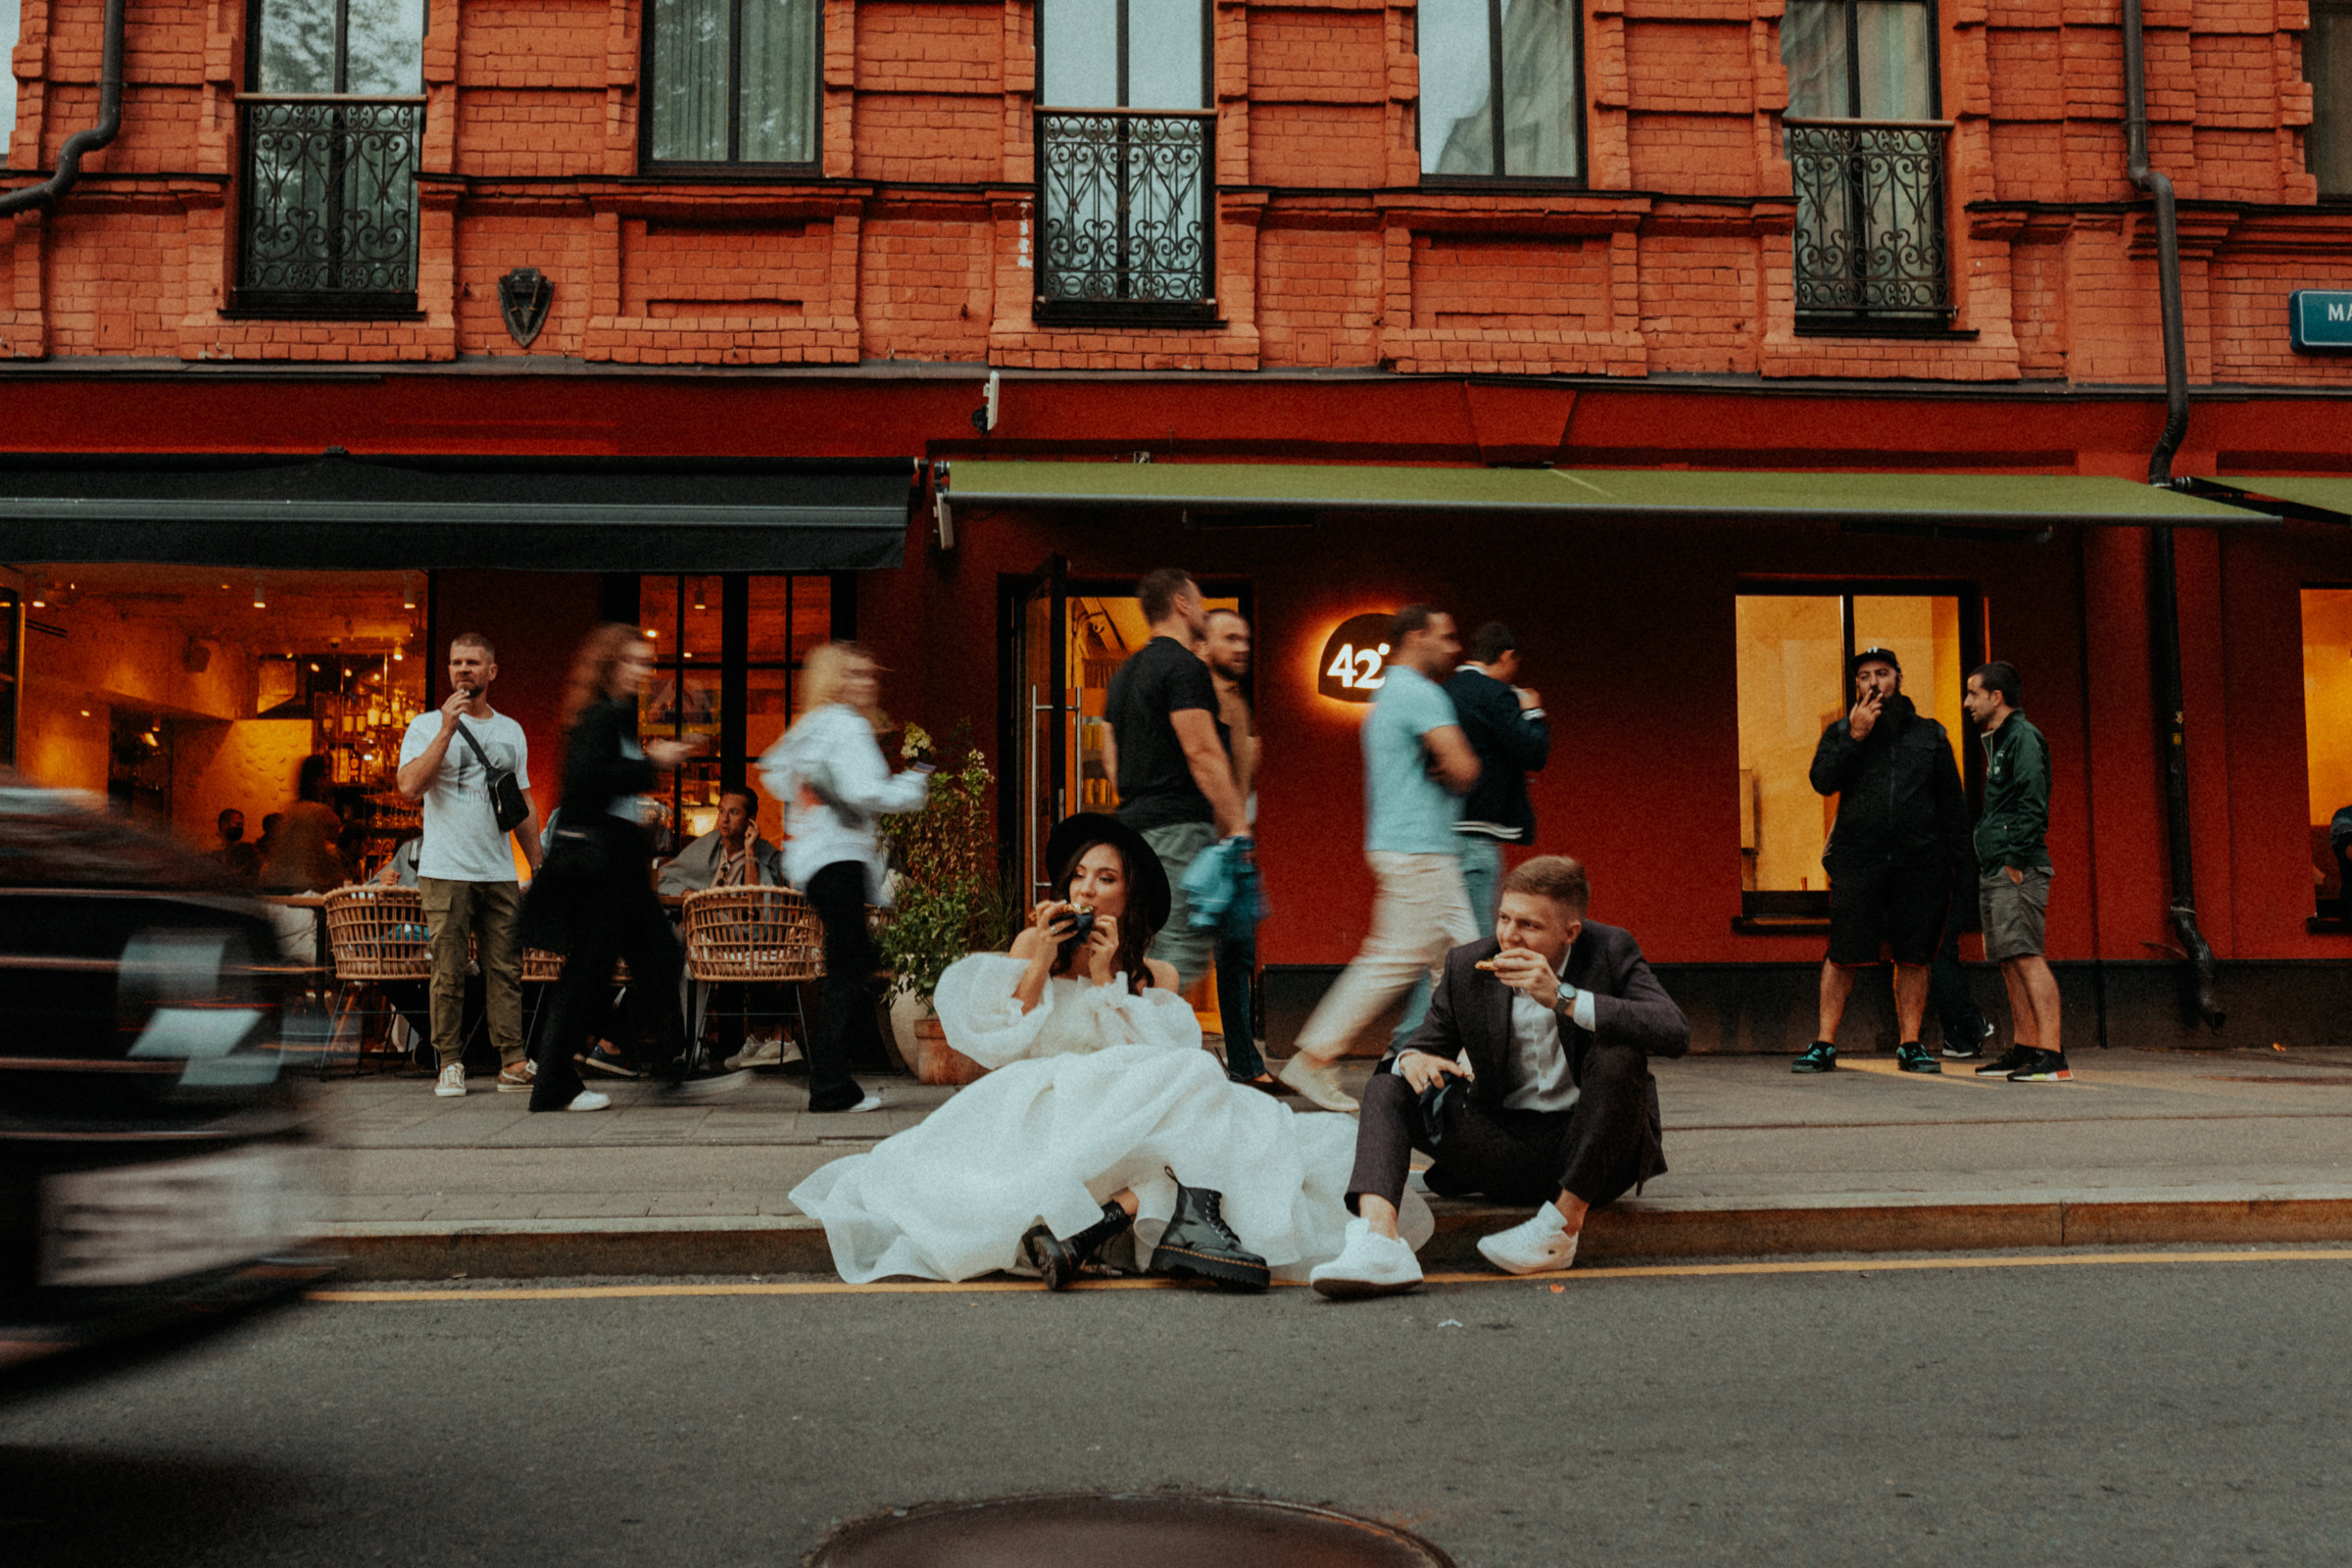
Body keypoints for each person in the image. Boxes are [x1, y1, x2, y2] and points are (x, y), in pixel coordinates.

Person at [789, 813, 1431, 1287]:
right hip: (1043, 1111)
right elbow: (991, 1046)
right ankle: (1179, 1219)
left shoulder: (1155, 976)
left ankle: (1097, 1231)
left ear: (1129, 897)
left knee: (1226, 1112)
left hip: (1127, 1125)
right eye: (1080, 877)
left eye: (1107, 878)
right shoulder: (1027, 948)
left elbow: (1164, 1064)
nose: (1089, 890)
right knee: (1206, 1099)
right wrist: (1039, 963)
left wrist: (1105, 983)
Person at [1311, 856, 1689, 1298]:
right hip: (1501, 1147)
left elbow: (1673, 1029)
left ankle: (1561, 1230)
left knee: (1619, 1054)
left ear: (1571, 932)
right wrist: (1412, 1057)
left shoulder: (1609, 950)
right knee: (1389, 1083)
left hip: (1592, 1153)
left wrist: (1564, 998)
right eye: (1504, 918)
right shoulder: (1469, 965)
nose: (1509, 935)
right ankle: (1379, 1243)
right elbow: (1427, 1042)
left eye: (1529, 925)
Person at [1277, 605, 1482, 1111]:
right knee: (1397, 960)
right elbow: (1463, 766)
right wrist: (1462, 763)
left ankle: (1455, 1062)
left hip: (1411, 845)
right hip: (1421, 849)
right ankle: (1316, 1057)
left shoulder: (1388, 694)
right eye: (1447, 636)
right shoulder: (1419, 692)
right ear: (1416, 635)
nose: (1454, 648)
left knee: (1459, 963)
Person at [521, 624, 712, 1113]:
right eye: (633, 662)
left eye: (647, 663)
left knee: (651, 959)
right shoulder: (600, 716)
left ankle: (662, 1069)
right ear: (610, 665)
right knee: (593, 971)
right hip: (598, 871)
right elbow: (587, 781)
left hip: (618, 868)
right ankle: (560, 1083)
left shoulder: (618, 715)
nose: (643, 671)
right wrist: (654, 761)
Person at [760, 643, 931, 1114]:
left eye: (869, 673)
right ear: (835, 680)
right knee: (848, 969)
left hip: (812, 864)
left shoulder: (812, 726)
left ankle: (830, 1081)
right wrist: (921, 773)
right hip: (841, 861)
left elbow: (772, 770)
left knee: (847, 964)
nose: (867, 682)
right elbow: (872, 792)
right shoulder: (849, 725)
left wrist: (817, 786)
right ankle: (829, 1085)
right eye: (855, 674)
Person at [1793, 647, 1970, 1076]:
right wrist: (1853, 737)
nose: (1874, 682)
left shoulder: (1930, 735)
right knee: (1842, 953)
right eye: (1865, 676)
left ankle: (1910, 1044)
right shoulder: (1841, 732)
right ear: (1856, 686)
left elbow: (1953, 805)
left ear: (1898, 679)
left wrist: (1958, 866)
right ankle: (1824, 1043)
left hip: (1920, 864)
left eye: (1883, 673)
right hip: (1860, 862)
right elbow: (1822, 781)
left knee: (1914, 956)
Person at [1390, 619, 1549, 1052]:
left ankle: (1416, 1040)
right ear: (1507, 657)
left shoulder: (1441, 693)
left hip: (1438, 835)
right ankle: (1421, 1043)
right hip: (1476, 840)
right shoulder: (1496, 693)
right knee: (1471, 951)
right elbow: (1533, 751)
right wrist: (1532, 709)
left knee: (1440, 951)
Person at [396, 633, 541, 1100]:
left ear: (491, 671)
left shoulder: (511, 731)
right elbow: (409, 787)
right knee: (449, 970)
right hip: (445, 869)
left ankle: (513, 1062)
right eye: (456, 662)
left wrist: (537, 863)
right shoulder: (424, 725)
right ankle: (450, 1063)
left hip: (498, 869)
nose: (463, 670)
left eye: (473, 663)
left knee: (506, 968)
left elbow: (522, 802)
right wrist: (446, 729)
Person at [1102, 568, 1250, 994]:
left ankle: (1135, 1044)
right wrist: (1238, 825)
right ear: (1181, 604)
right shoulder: (1184, 667)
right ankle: (1161, 1051)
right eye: (1199, 601)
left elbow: (1113, 760)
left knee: (1141, 948)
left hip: (1131, 827)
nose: (1203, 610)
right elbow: (1201, 752)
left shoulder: (1125, 674)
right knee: (1178, 953)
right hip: (1178, 828)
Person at [1964, 661, 2071, 1082]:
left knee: (2026, 955)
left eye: (1974, 693)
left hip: (2017, 868)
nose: (1966, 701)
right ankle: (2026, 1047)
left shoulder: (2023, 739)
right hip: (1997, 865)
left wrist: (2013, 860)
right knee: (2009, 959)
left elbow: (2033, 803)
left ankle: (2052, 1056)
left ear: (1997, 697)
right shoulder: (2000, 741)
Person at [658, 785, 796, 1071]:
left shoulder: (764, 855)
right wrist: (688, 897)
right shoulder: (707, 847)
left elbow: (759, 908)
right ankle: (692, 1047)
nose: (724, 819)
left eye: (733, 812)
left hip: (744, 941)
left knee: (679, 948)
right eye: (721, 811)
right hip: (701, 934)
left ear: (750, 820)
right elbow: (666, 879)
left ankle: (691, 1045)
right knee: (675, 951)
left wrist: (749, 853)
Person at [1199, 607, 1278, 1092]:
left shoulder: (1235, 699)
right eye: (1230, 639)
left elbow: (1238, 772)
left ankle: (1246, 1061)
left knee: (1237, 952)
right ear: (1203, 647)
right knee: (1207, 953)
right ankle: (1243, 1063)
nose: (1242, 647)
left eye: (1245, 638)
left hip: (1232, 842)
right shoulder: (1201, 699)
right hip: (1209, 843)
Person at [213, 808, 259, 884]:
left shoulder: (243, 849)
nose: (240, 829)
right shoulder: (211, 846)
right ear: (224, 825)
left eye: (242, 825)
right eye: (238, 824)